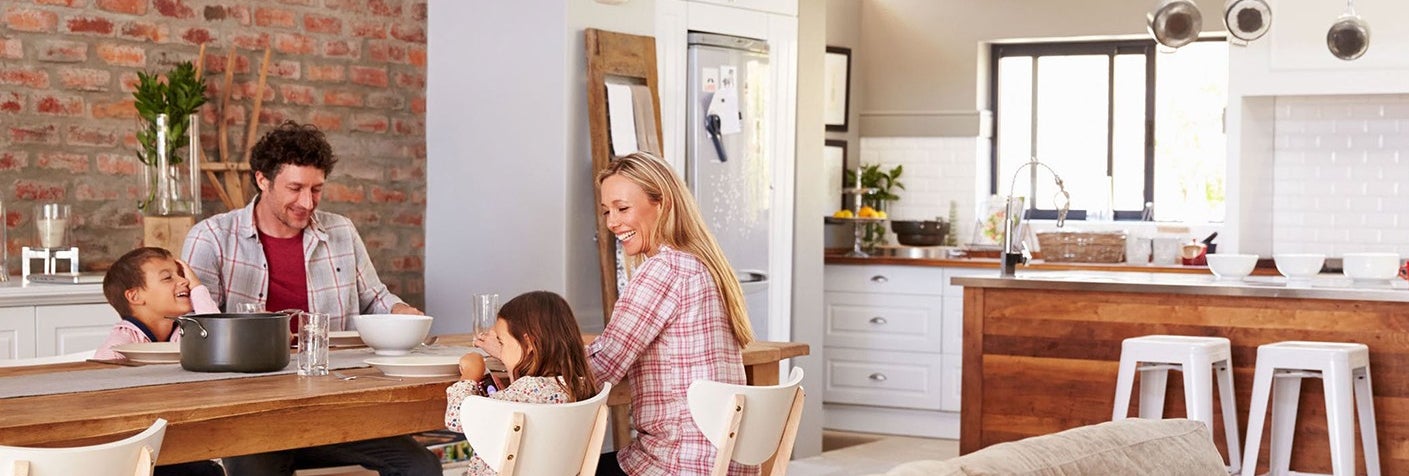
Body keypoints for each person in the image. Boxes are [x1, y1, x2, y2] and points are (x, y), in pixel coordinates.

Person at [181, 121, 439, 476]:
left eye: (317, 189)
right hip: (253, 415)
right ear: (262, 180)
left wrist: (400, 311)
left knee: (420, 466)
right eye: (295, 188)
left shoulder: (340, 231)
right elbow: (196, 330)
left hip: (332, 406)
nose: (307, 202)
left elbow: (374, 297)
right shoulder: (211, 238)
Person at [590, 152, 759, 475]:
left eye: (622, 208)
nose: (612, 222)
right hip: (723, 464)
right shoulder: (702, 263)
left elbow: (602, 367)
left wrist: (524, 360)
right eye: (607, 211)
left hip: (678, 463)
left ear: (662, 203)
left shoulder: (666, 269)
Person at [94, 246, 225, 476]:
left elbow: (218, 339)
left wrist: (199, 289)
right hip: (134, 452)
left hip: (179, 442)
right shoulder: (121, 343)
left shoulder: (186, 329)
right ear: (135, 296)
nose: (183, 282)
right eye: (168, 277)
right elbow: (99, 392)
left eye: (181, 274)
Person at [447, 291, 599, 475]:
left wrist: (471, 372)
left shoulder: (527, 390)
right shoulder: (580, 385)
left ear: (528, 344)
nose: (500, 352)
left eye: (501, 343)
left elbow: (456, 418)